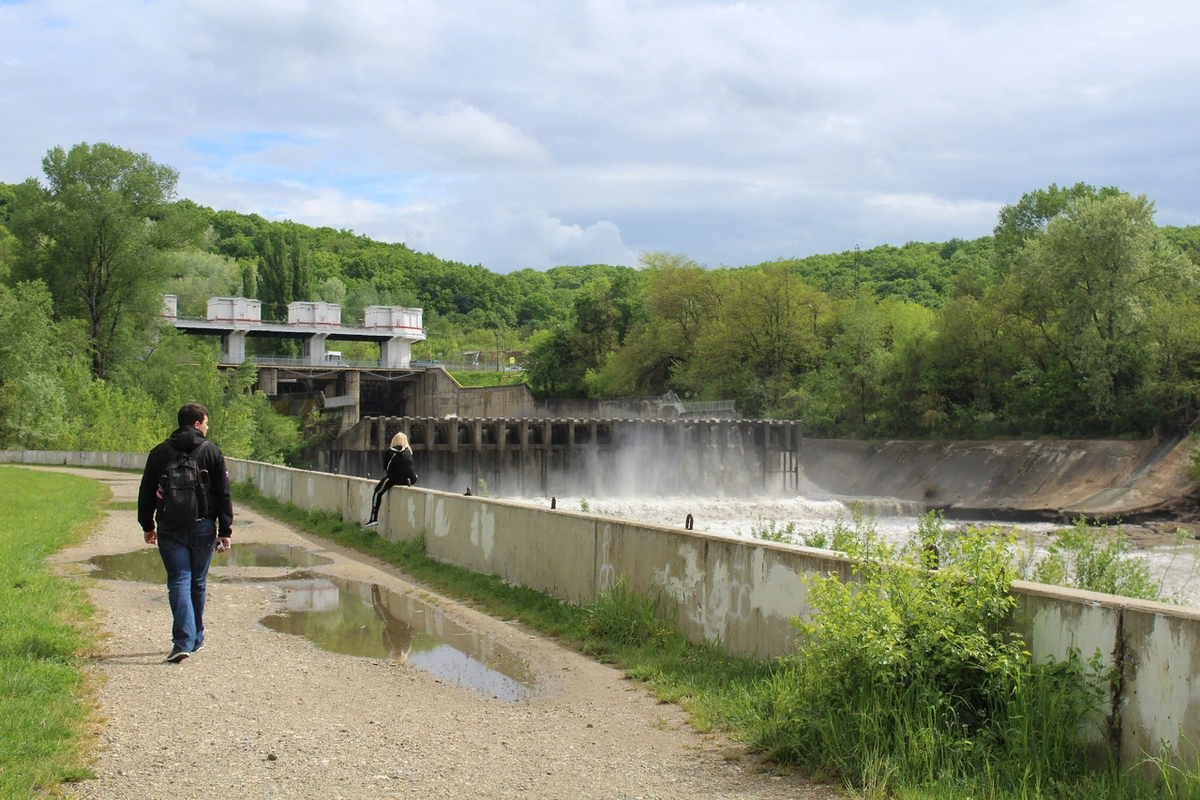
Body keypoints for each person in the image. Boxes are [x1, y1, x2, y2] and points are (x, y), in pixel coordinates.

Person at [137, 403, 234, 663]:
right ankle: (195, 638)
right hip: (203, 526)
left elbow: (146, 491)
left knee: (179, 579)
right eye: (205, 422)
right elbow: (223, 494)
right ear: (196, 424)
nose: (207, 426)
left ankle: (182, 641)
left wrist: (147, 525)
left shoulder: (159, 452)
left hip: (169, 525)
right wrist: (225, 530)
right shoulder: (211, 451)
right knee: (197, 582)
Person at [365, 432, 418, 527]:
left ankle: (373, 518)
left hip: (395, 478)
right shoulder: (408, 451)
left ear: (394, 441)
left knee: (377, 492)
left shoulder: (390, 451)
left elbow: (385, 467)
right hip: (410, 479)